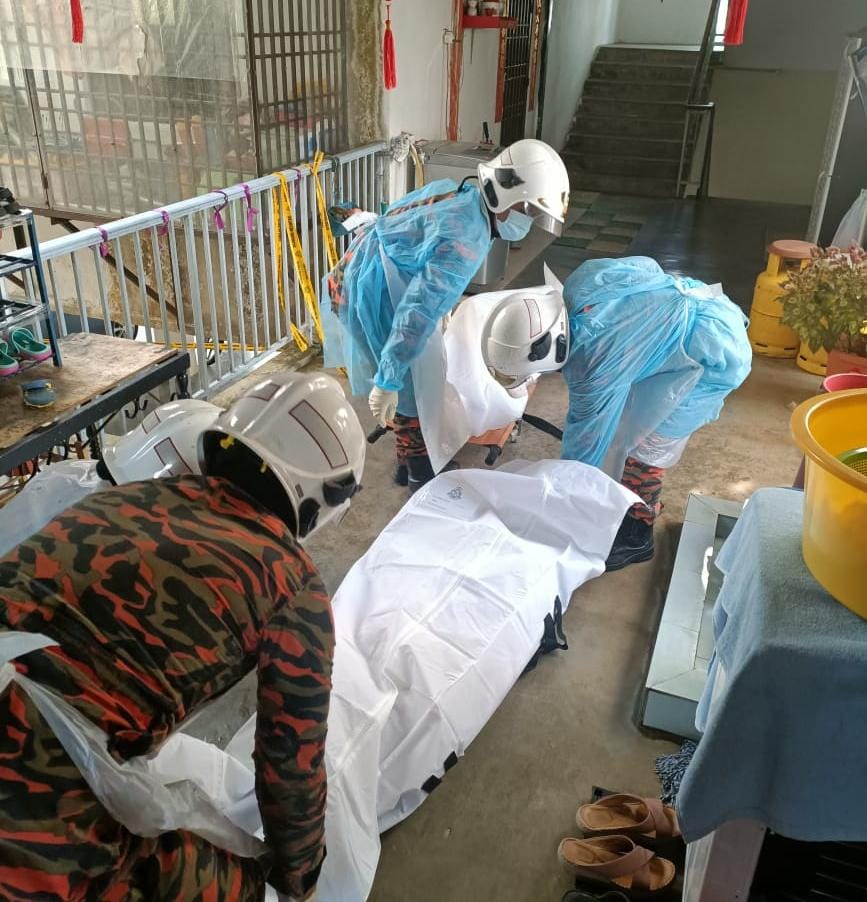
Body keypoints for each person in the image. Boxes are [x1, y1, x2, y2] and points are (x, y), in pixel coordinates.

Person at [0, 372, 365, 901]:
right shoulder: (292, 583)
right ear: (323, 497)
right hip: (30, 783)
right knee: (233, 886)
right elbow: (290, 763)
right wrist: (299, 877)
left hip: (29, 704)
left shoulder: (132, 496)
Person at [324, 139, 570, 492]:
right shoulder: (467, 239)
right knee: (411, 386)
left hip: (366, 270)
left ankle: (407, 461)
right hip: (367, 289)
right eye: (526, 211)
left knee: (415, 379)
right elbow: (416, 315)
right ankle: (419, 476)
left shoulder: (463, 195)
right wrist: (388, 378)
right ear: (504, 195)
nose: (526, 222)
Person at [481, 257, 752, 571]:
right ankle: (627, 509)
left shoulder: (594, 365)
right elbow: (647, 266)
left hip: (713, 357)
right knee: (625, 424)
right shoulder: (581, 281)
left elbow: (585, 449)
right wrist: (650, 324)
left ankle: (638, 534)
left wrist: (561, 505)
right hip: (706, 306)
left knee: (645, 449)